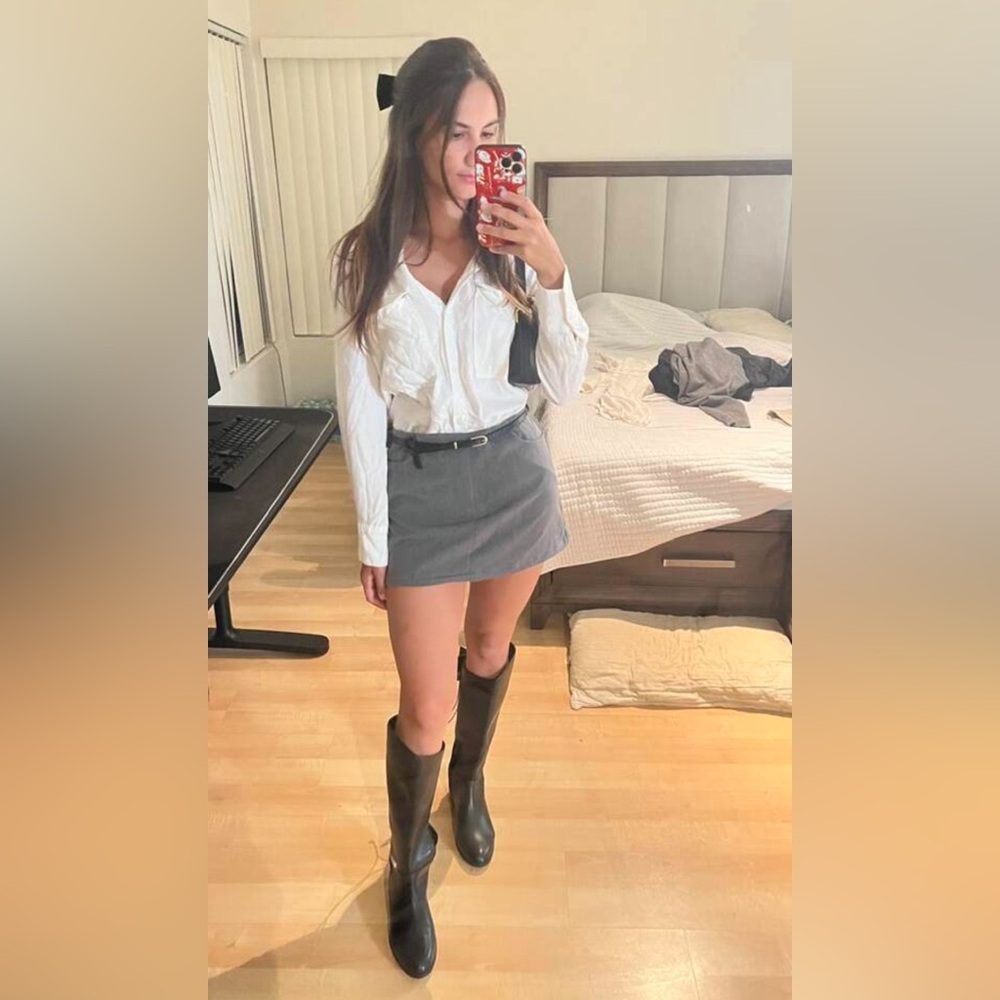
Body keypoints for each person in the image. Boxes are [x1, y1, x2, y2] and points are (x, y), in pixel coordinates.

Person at [330, 37, 588, 979]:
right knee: (427, 704)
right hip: (423, 488)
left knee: (488, 653)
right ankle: (407, 868)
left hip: (513, 474)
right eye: (459, 133)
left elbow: (566, 381)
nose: (480, 154)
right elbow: (359, 406)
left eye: (493, 132)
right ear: (417, 136)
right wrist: (373, 531)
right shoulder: (367, 259)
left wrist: (553, 272)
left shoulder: (514, 250)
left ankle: (469, 789)